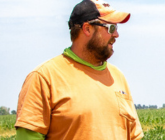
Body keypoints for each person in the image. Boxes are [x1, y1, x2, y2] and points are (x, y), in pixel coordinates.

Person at [14, 0, 142, 139]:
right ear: (87, 29)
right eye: (111, 28)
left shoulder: (118, 77)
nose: (116, 35)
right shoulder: (44, 77)